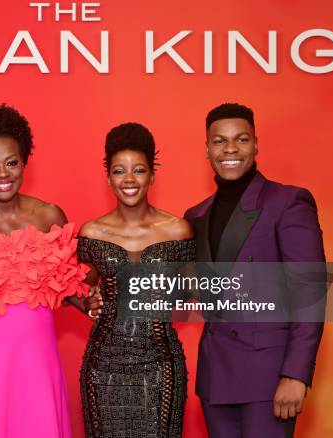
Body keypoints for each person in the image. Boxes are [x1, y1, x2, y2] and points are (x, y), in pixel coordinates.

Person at [0, 104, 91, 438]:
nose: (2, 174)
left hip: (36, 357)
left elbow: (69, 285)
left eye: (11, 162)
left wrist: (97, 301)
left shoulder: (48, 215)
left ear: (24, 161)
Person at [183, 103, 325, 437]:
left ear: (256, 144)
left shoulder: (288, 202)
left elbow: (309, 292)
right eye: (219, 141)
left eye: (241, 139)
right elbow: (186, 288)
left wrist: (296, 374)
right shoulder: (194, 216)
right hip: (216, 378)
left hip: (269, 376)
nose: (230, 149)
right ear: (207, 149)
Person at [77, 123, 195, 438]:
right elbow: (72, 285)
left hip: (160, 366)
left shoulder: (178, 230)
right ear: (108, 178)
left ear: (152, 176)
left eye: (139, 170)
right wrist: (87, 301)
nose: (129, 179)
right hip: (104, 367)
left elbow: (189, 293)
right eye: (119, 171)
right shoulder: (91, 233)